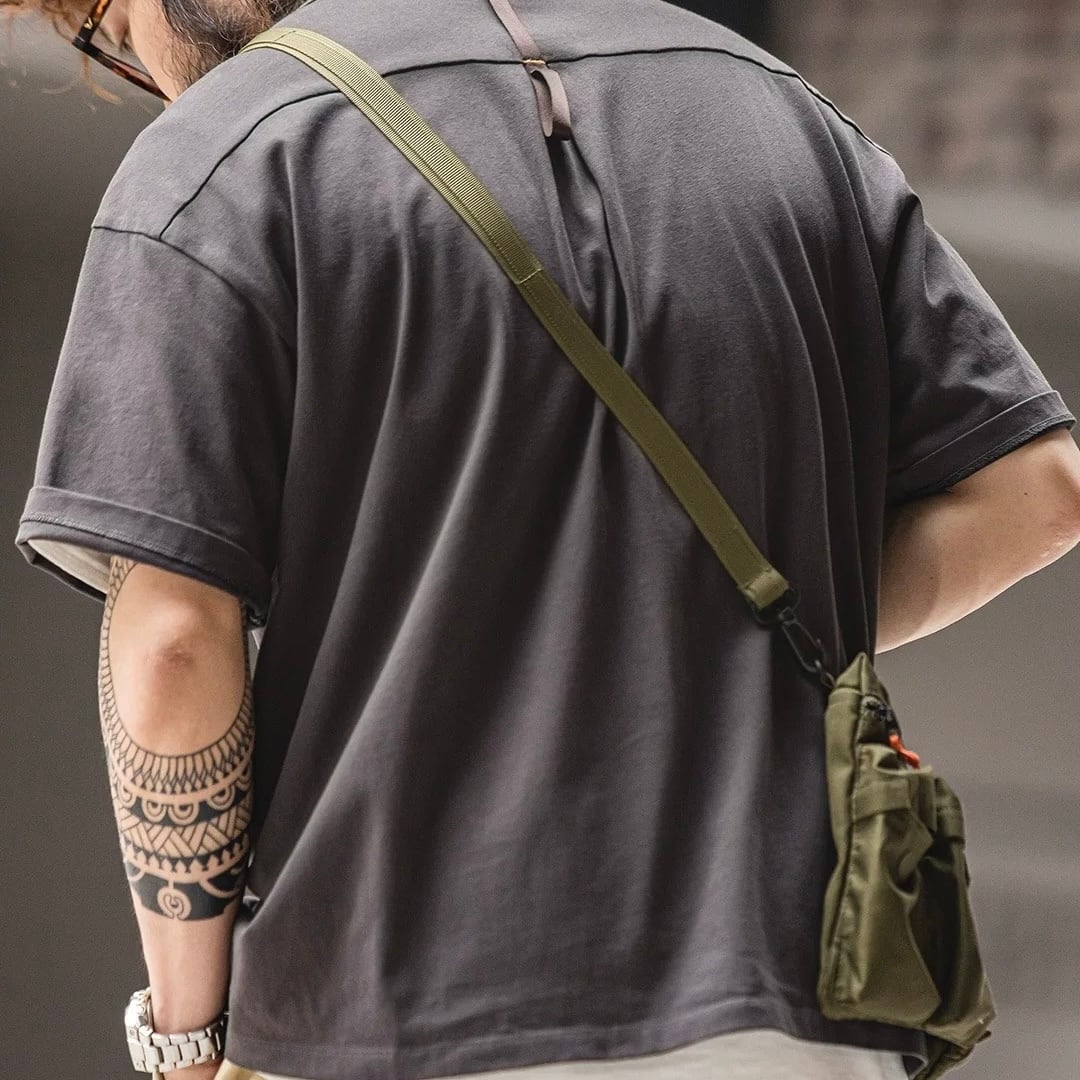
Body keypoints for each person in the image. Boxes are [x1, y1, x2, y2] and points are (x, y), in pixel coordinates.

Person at [9, 0, 1080, 1079]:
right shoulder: (784, 111)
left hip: (389, 1011)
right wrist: (707, 646)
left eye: (110, 30)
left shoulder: (225, 149)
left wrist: (187, 1034)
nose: (143, 72)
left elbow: (172, 643)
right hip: (792, 1012)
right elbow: (1038, 492)